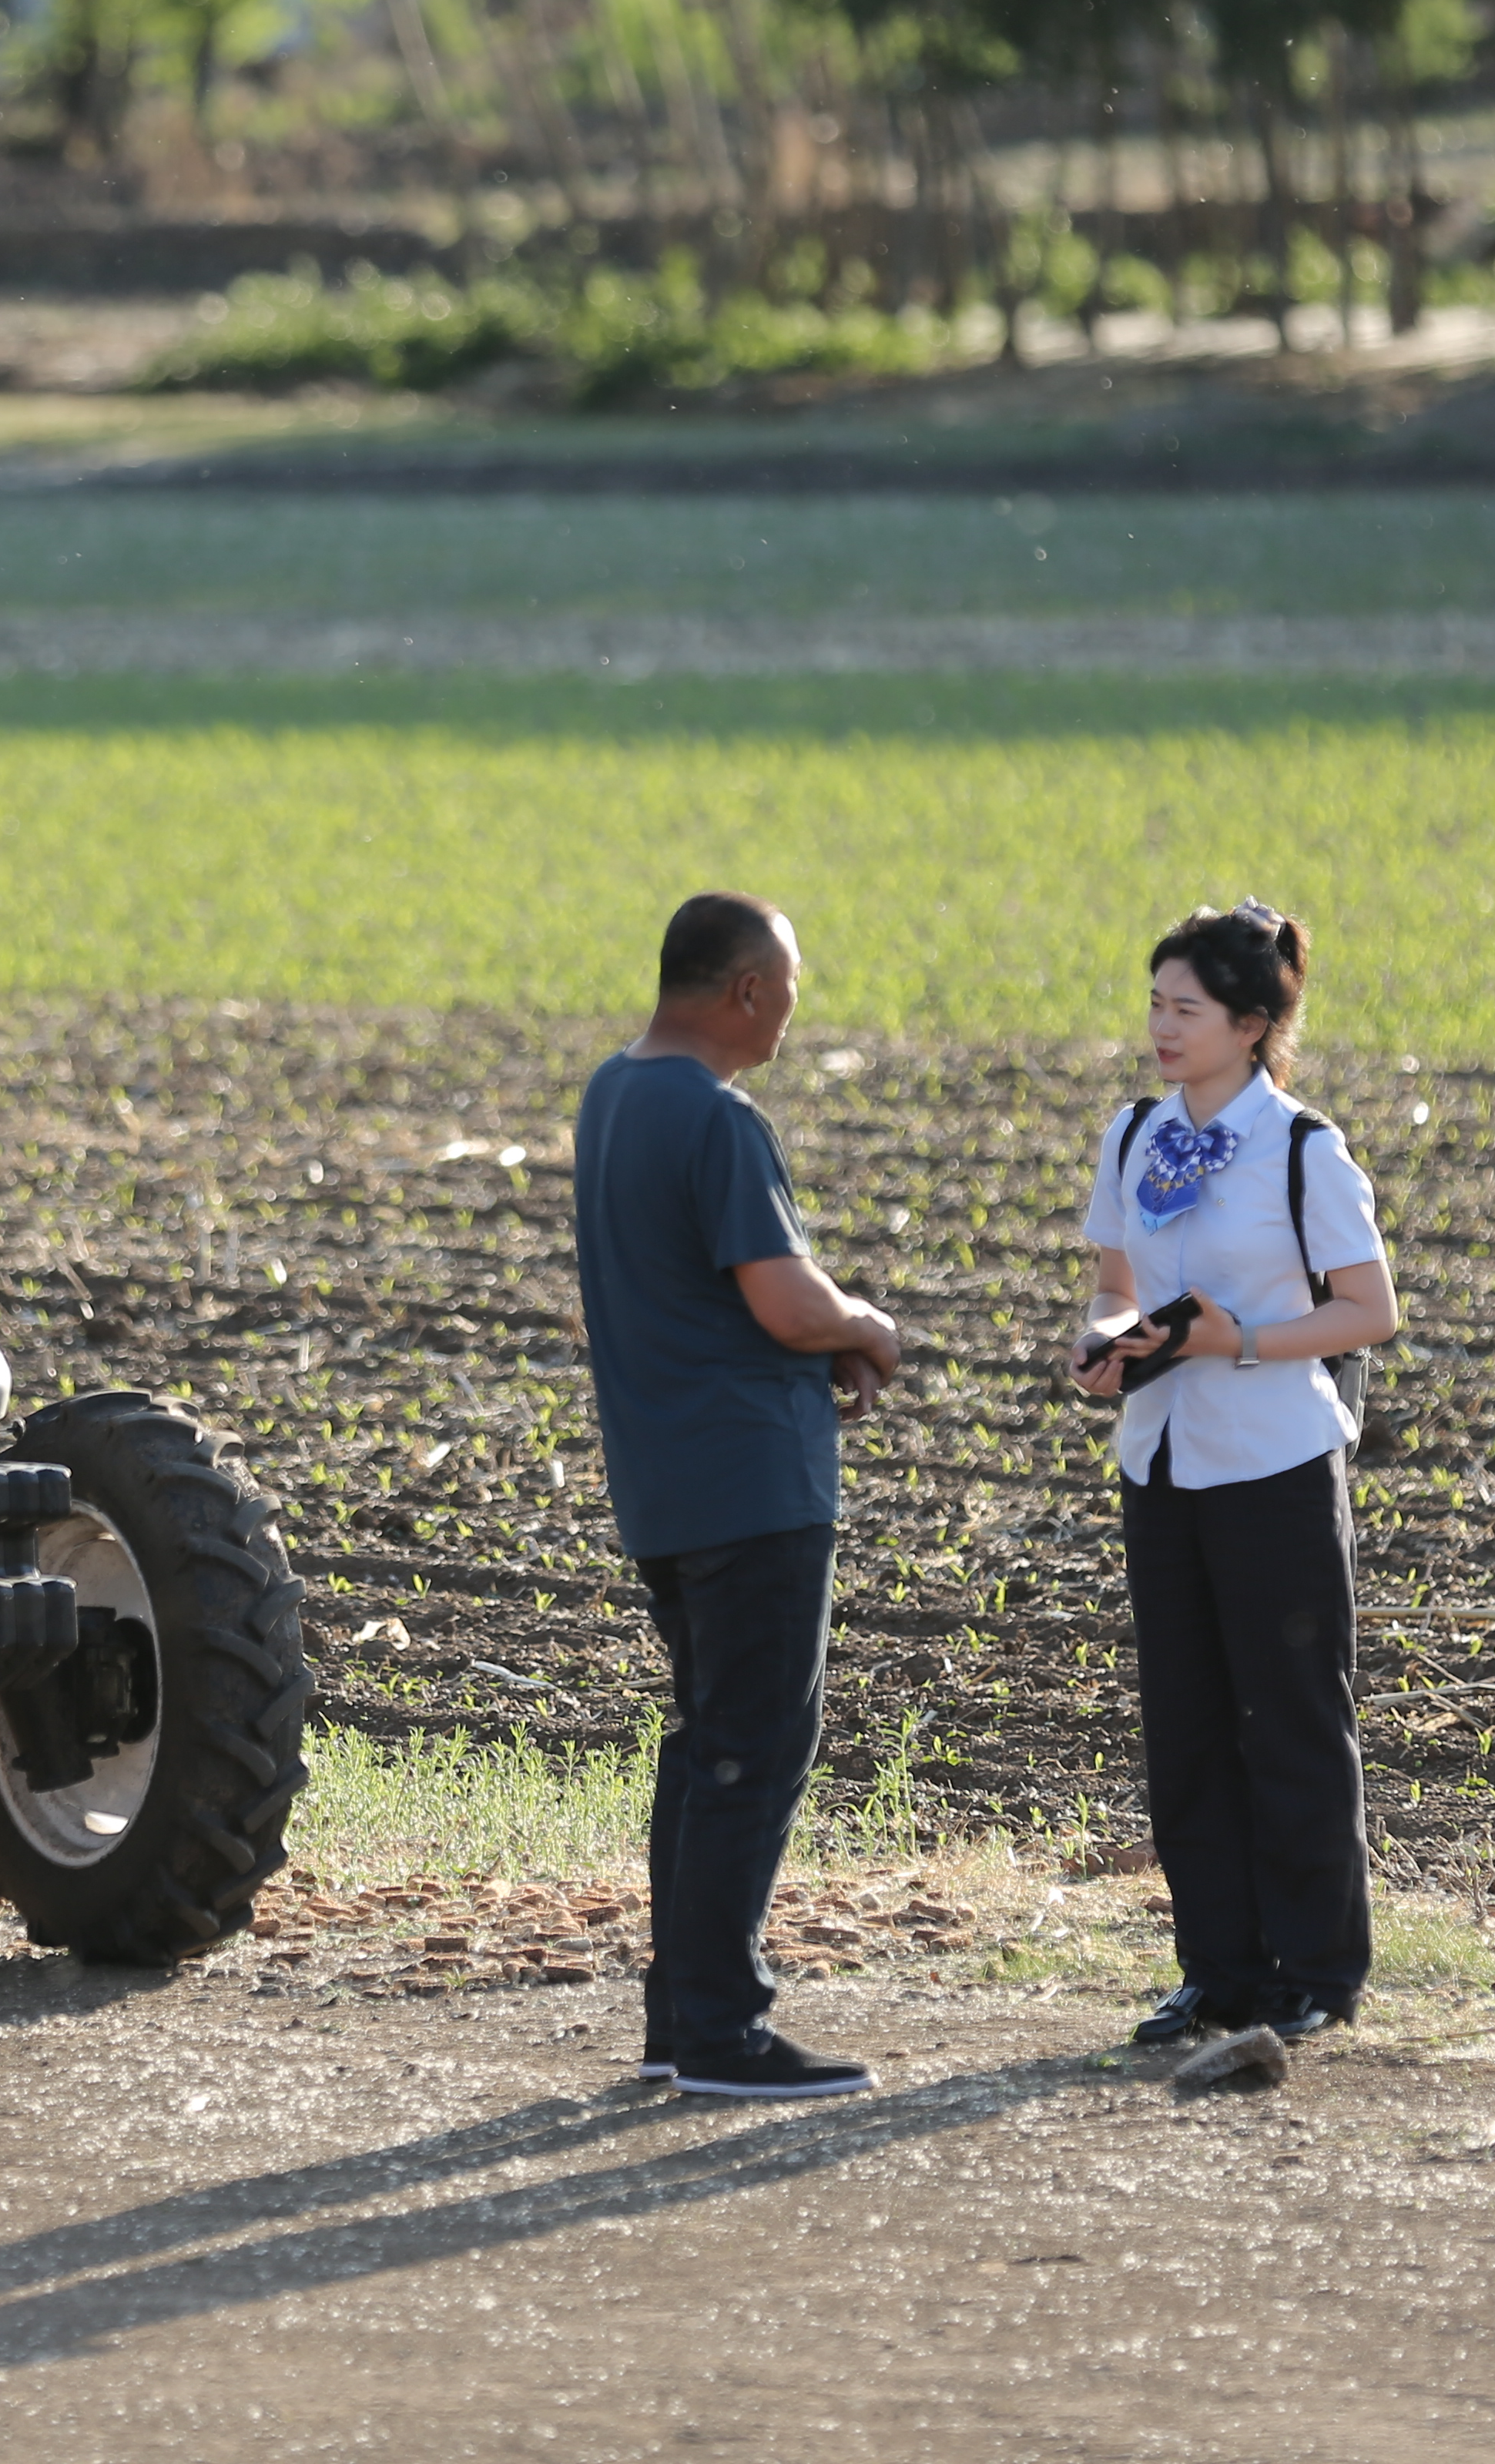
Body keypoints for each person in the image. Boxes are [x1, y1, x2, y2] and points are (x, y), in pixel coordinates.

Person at [572, 890, 903, 2101]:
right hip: (751, 1482)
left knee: (705, 1747)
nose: (795, 1007)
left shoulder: (613, 1092)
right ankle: (721, 2030)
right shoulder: (716, 1116)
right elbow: (784, 1298)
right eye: (792, 985)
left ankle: (680, 2018)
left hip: (663, 1478)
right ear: (748, 989)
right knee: (751, 1756)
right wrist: (867, 1326)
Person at [1068, 900, 1402, 2047]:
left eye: (1187, 1009)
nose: (1163, 1027)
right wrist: (1107, 1341)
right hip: (1160, 1458)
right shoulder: (1131, 1135)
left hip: (1274, 1460)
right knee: (1187, 1723)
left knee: (1294, 1719)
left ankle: (1315, 1972)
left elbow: (1370, 1311)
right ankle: (1216, 1968)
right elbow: (1117, 1281)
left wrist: (1238, 1340)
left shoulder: (1305, 1149)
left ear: (1253, 1024)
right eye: (1155, 1005)